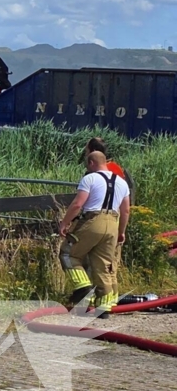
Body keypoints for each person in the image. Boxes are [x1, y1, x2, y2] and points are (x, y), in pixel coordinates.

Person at [57, 151, 130, 319]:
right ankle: (103, 308)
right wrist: (121, 231)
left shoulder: (90, 179)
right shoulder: (121, 182)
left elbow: (77, 204)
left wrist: (64, 222)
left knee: (69, 253)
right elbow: (125, 210)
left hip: (92, 220)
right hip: (113, 222)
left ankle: (83, 287)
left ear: (91, 163)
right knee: (103, 265)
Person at [83, 137, 134, 272]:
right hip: (114, 221)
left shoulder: (93, 173)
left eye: (87, 149)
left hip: (96, 220)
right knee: (109, 264)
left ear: (92, 152)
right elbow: (125, 206)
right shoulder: (115, 168)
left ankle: (92, 289)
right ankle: (107, 290)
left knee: (91, 260)